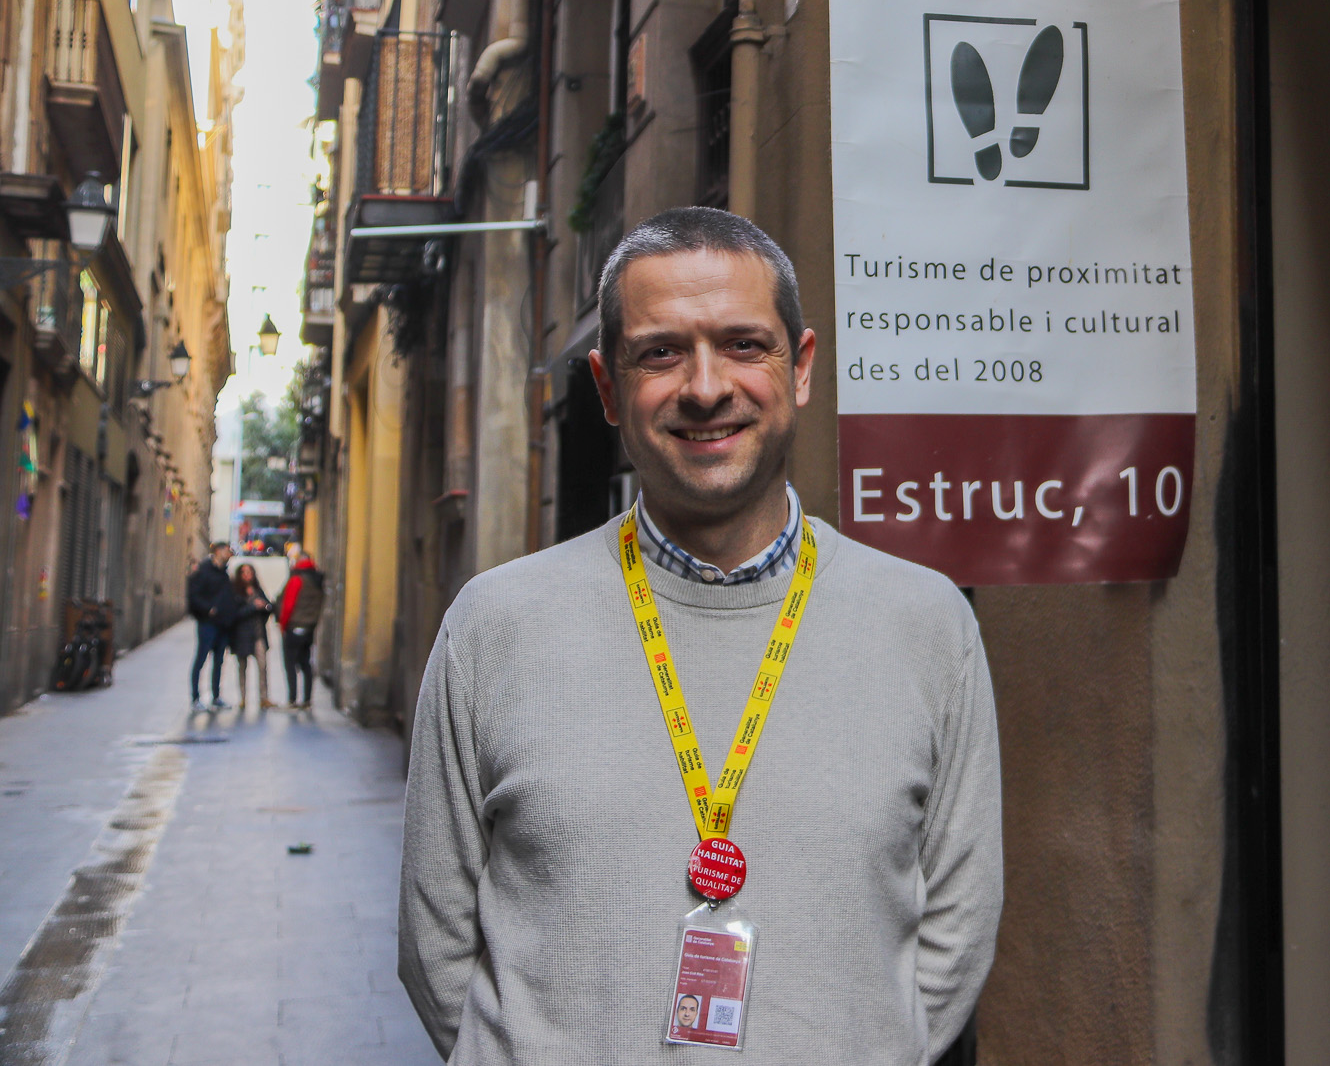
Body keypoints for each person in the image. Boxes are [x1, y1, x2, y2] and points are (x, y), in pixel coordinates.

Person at [399, 208, 1002, 1063]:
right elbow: (437, 944)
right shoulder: (493, 627)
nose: (707, 386)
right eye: (662, 352)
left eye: (744, 344)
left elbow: (956, 931)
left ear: (800, 368)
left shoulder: (929, 625)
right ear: (608, 389)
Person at [221, 563, 276, 710]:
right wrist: (253, 607)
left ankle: (264, 698)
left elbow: (269, 606)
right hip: (242, 636)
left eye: (250, 572)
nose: (247, 575)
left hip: (258, 634)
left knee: (262, 666)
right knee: (242, 667)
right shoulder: (236, 592)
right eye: (244, 572)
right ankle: (243, 698)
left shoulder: (258, 590)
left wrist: (264, 606)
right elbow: (235, 614)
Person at [186, 542, 232, 710]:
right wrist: (208, 609)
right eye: (227, 551)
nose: (229, 553)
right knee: (201, 659)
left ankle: (216, 696)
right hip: (207, 623)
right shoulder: (203, 571)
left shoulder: (224, 573)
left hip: (222, 624)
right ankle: (195, 697)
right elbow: (193, 595)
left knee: (219, 661)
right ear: (218, 551)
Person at [277, 545, 324, 709]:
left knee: (290, 663)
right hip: (309, 627)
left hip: (294, 626)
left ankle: (292, 699)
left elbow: (288, 605)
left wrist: (282, 625)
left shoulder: (297, 579)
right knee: (305, 664)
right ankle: (307, 700)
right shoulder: (317, 579)